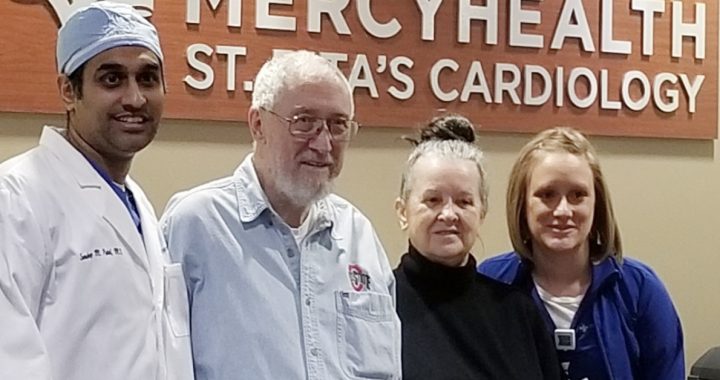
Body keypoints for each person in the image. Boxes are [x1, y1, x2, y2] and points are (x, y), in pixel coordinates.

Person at [161, 50, 401, 380]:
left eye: (338, 125)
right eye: (304, 123)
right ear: (258, 124)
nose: (323, 143)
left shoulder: (359, 236)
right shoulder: (196, 226)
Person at [0, 3, 193, 380]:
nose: (135, 98)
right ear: (68, 91)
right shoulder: (16, 199)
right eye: (111, 79)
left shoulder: (138, 205)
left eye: (148, 78)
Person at [478, 127, 684, 379]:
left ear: (596, 203)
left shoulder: (640, 290)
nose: (563, 211)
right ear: (522, 203)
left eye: (578, 195)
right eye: (547, 194)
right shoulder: (489, 286)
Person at [393, 114, 562, 380]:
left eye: (464, 202)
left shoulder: (518, 313)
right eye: (433, 200)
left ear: (481, 213)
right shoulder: (377, 306)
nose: (449, 214)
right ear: (403, 212)